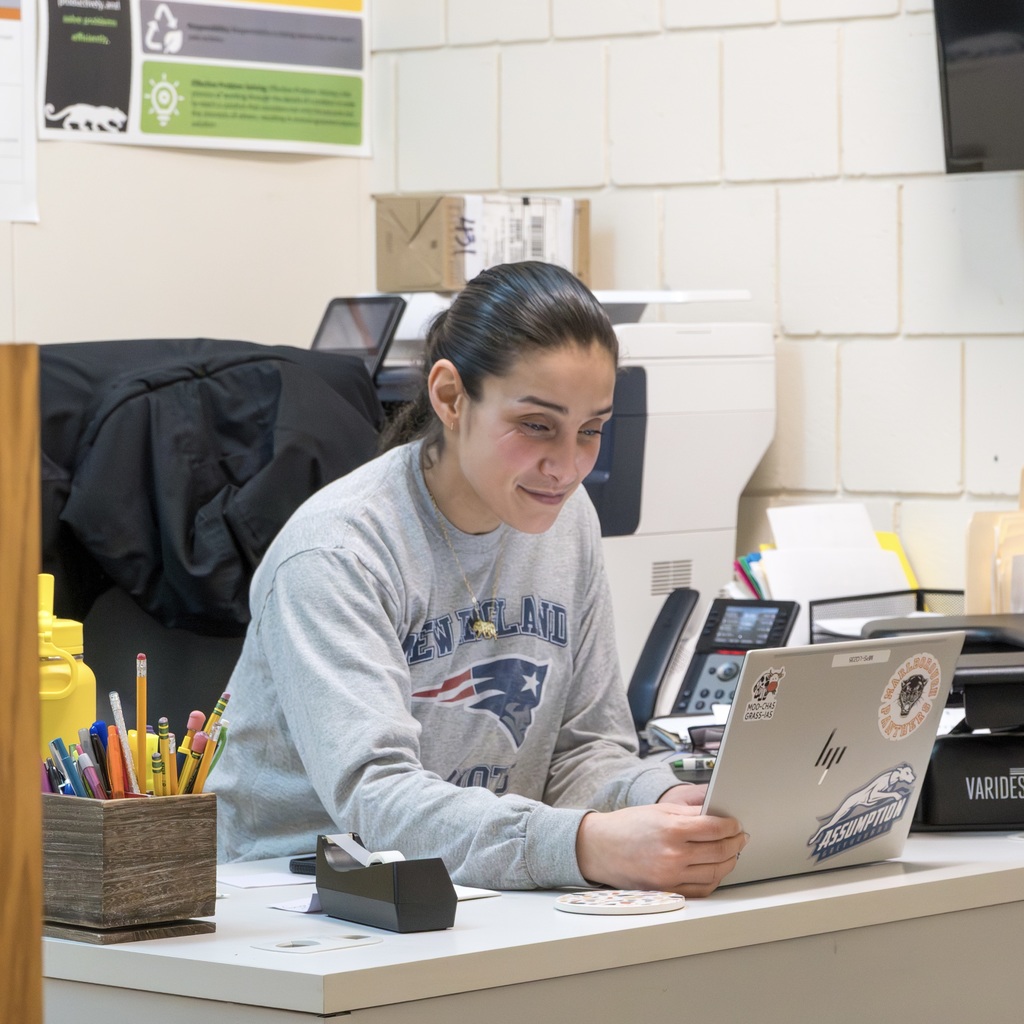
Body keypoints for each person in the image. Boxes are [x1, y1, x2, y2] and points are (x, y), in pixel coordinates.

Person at [211, 261, 746, 896]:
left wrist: (669, 799)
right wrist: (584, 844)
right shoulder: (338, 550)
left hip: (480, 884)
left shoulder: (565, 519)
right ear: (450, 397)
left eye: (592, 431)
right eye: (537, 425)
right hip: (300, 896)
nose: (567, 466)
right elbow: (376, 801)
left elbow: (579, 754)